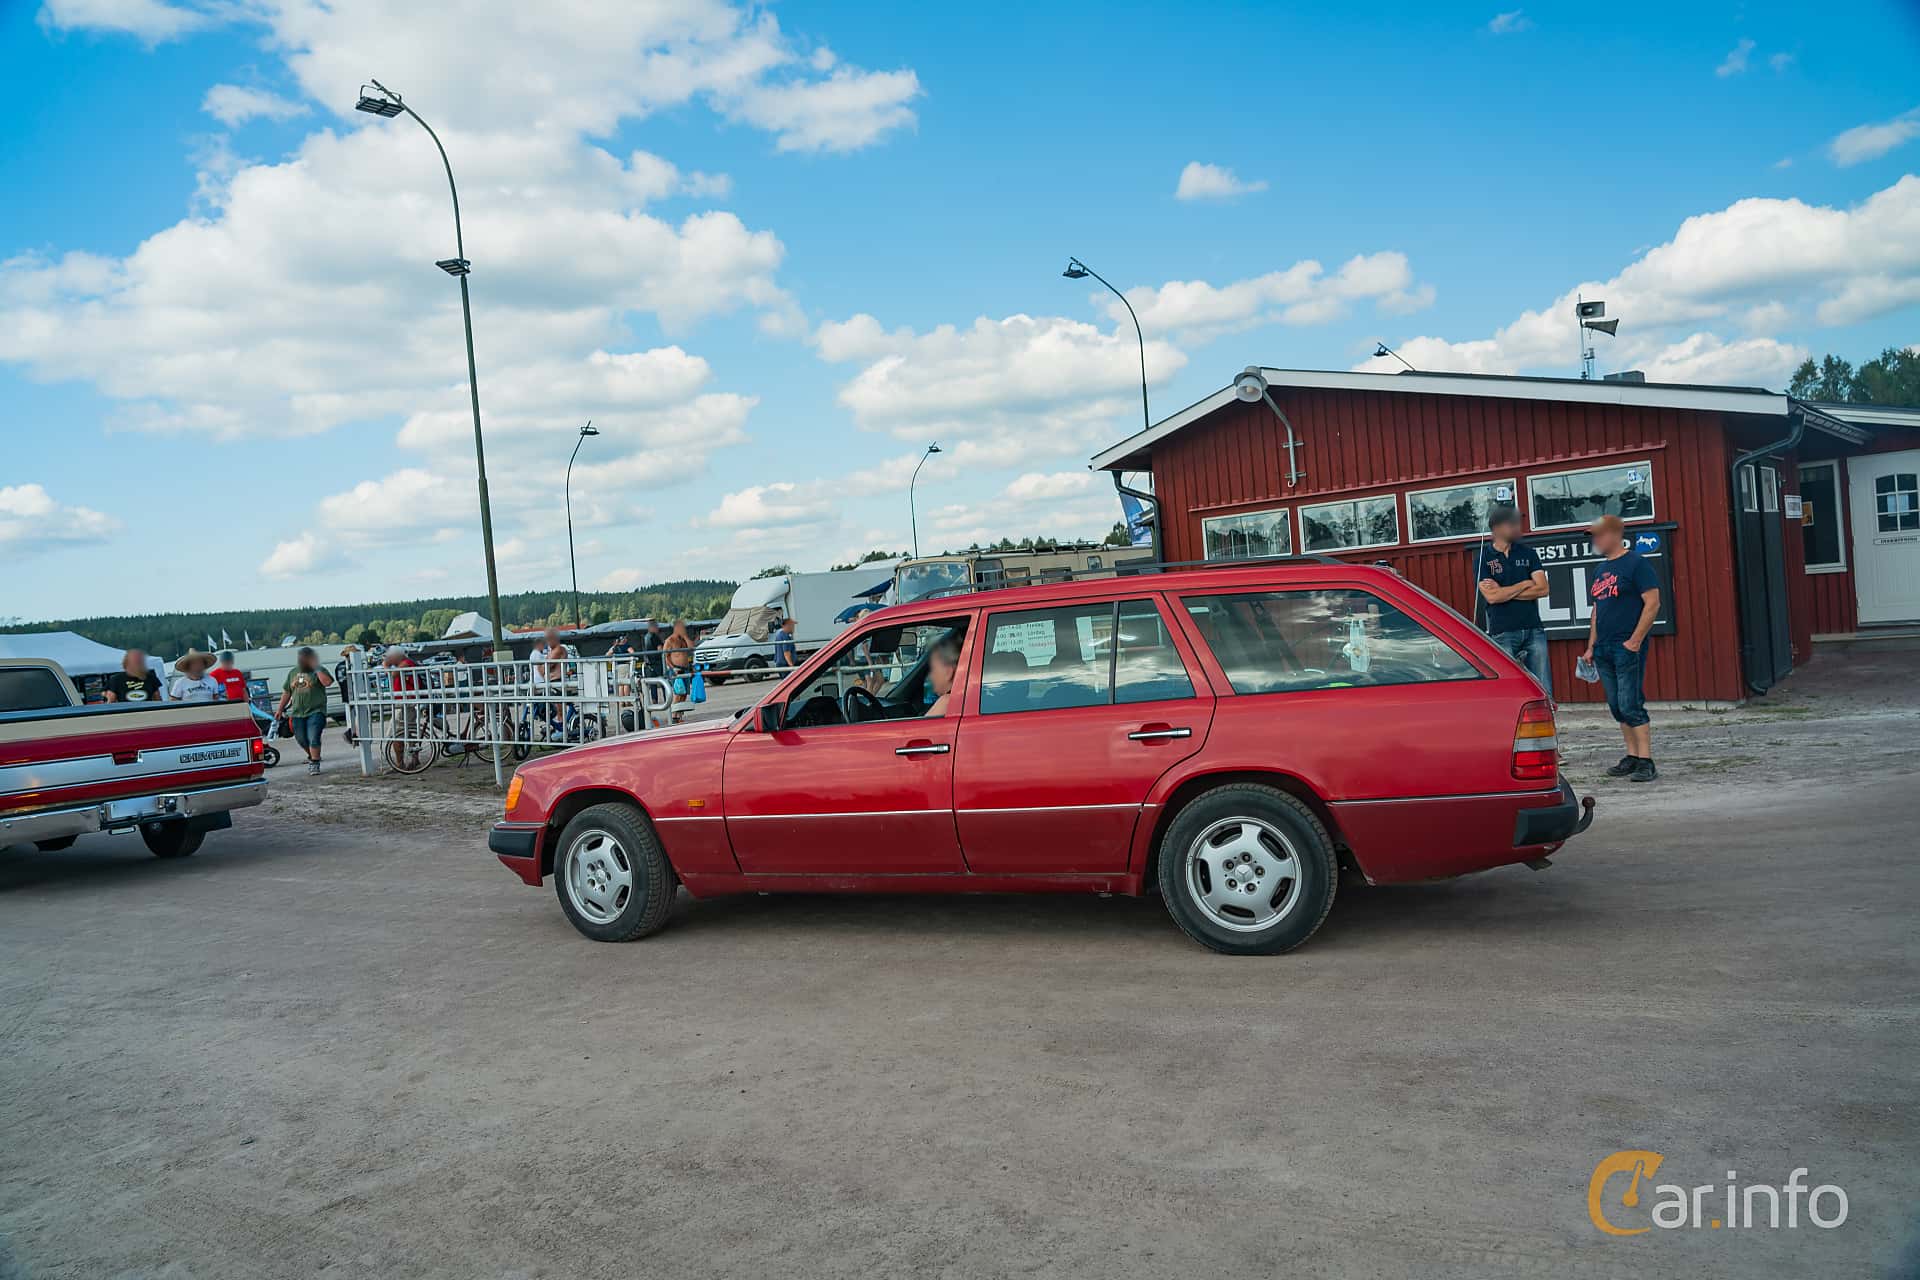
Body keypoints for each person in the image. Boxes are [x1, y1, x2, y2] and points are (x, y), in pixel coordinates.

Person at [1581, 513, 1662, 782]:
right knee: (1617, 705)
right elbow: (1597, 610)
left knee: (1631, 703)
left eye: (1598, 535)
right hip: (1603, 648)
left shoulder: (1637, 564)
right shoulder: (1600, 570)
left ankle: (1646, 760)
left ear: (1614, 535)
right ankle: (1631, 756)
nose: (1595, 541)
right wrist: (1591, 646)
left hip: (1626, 645)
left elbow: (1652, 603)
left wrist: (1635, 641)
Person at [1475, 507, 1552, 693]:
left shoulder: (1528, 553)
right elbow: (1492, 597)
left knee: (1543, 688)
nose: (1517, 528)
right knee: (1509, 689)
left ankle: (1548, 720)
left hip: (1533, 628)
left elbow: (1543, 589)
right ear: (1498, 528)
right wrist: (1525, 583)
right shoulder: (1483, 558)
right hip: (1503, 632)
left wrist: (1504, 591)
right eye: (1512, 524)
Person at [275, 646, 335, 775]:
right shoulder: (293, 672)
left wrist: (316, 667)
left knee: (313, 736)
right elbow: (287, 692)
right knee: (301, 739)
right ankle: (312, 755)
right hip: (297, 712)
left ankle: (315, 763)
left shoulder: (319, 670)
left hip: (316, 710)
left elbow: (327, 682)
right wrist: (280, 709)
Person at [664, 619, 695, 723]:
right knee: (677, 693)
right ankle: (674, 716)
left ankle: (680, 715)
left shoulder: (683, 640)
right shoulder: (670, 640)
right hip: (675, 669)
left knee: (684, 693)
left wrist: (685, 636)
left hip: (685, 669)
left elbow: (691, 648)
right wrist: (673, 668)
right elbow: (666, 657)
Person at [924, 635, 961, 717]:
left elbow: (919, 729)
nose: (930, 676)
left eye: (933, 669)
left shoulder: (947, 702)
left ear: (948, 672)